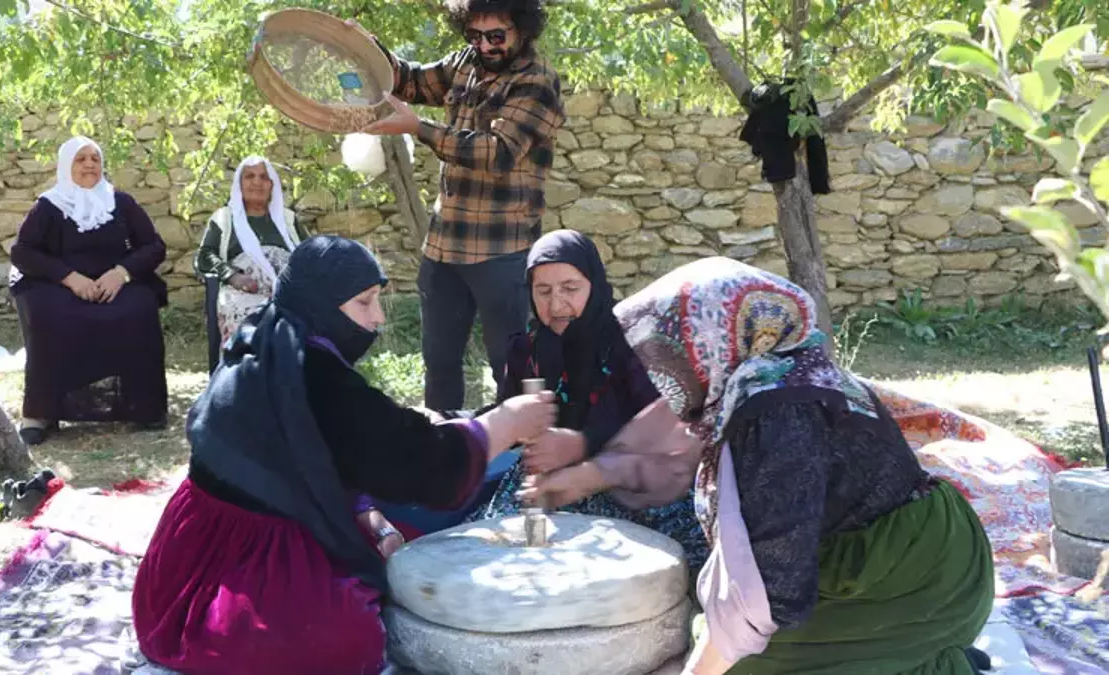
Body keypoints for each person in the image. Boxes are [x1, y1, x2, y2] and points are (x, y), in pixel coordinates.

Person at [524, 257, 996, 675]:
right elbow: (661, 440)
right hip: (895, 550)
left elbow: (773, 583)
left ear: (707, 342)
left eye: (668, 354)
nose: (658, 372)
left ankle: (932, 657)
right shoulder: (767, 369)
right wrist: (588, 474)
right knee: (710, 626)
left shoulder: (775, 411)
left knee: (742, 662)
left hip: (921, 577)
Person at [132, 235, 556, 675]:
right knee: (348, 635)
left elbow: (326, 452)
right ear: (322, 304)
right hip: (224, 577)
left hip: (177, 564)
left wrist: (367, 513)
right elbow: (423, 463)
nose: (378, 319)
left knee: (400, 530)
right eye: (364, 302)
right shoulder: (317, 378)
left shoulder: (265, 338)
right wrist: (505, 423)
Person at [350, 0, 566, 410]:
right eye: (474, 35)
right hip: (443, 248)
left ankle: (519, 446)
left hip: (502, 251)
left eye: (496, 35)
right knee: (439, 365)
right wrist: (367, 48)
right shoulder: (464, 62)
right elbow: (409, 81)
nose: (484, 46)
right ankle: (445, 441)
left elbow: (498, 152)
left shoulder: (537, 81)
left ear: (523, 28)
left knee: (511, 369)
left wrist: (419, 127)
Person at [467, 230, 709, 577]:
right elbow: (508, 415)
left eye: (570, 288)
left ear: (593, 284)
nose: (556, 305)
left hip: (630, 478)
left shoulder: (633, 341)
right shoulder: (527, 349)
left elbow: (667, 427)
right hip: (548, 479)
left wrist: (582, 443)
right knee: (499, 557)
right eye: (543, 291)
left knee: (648, 569)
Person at [8, 136, 168, 445]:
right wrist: (69, 277)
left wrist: (121, 274)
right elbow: (23, 252)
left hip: (114, 284)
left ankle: (144, 407)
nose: (90, 164)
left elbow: (154, 246)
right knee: (49, 314)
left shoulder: (121, 203)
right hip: (62, 285)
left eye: (95, 158)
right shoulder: (48, 206)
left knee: (139, 308)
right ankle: (42, 412)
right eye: (81, 159)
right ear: (66, 165)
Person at [193, 156, 307, 347]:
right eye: (249, 176)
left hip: (288, 292)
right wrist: (232, 276)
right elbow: (205, 255)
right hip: (242, 292)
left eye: (264, 177)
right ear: (239, 184)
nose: (257, 182)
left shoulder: (288, 219)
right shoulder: (224, 218)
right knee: (253, 324)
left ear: (271, 185)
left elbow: (310, 253)